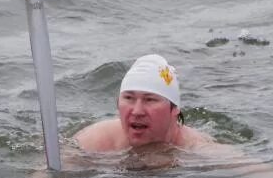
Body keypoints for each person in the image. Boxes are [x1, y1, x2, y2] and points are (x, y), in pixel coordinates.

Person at [73, 54, 216, 152]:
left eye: (150, 100)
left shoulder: (198, 151)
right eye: (129, 98)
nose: (137, 111)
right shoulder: (95, 142)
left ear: (174, 109)